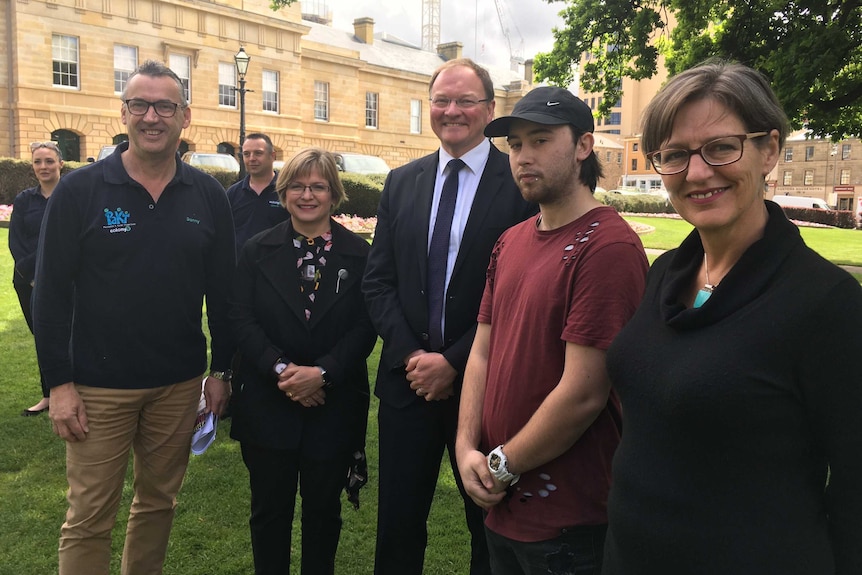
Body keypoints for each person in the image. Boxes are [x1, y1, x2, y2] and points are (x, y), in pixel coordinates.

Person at [601, 60, 862, 574]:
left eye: (721, 147)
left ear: (769, 150)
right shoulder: (666, 275)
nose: (697, 173)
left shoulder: (825, 304)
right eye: (674, 155)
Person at [32, 60, 235, 575]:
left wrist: (221, 370)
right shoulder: (81, 191)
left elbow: (225, 295)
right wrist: (59, 384)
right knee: (89, 515)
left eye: (164, 106)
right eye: (140, 105)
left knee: (158, 505)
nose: (152, 116)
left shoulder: (208, 195)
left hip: (178, 384)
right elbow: (50, 294)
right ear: (123, 113)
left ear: (184, 116)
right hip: (98, 387)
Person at [454, 86, 648, 575]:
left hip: (569, 523)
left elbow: (584, 393)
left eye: (540, 140)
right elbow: (482, 353)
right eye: (516, 145)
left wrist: (500, 464)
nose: (523, 157)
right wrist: (464, 447)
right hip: (503, 505)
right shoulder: (511, 240)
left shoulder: (607, 246)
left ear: (584, 146)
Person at [362, 58, 537, 575]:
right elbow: (377, 281)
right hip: (407, 386)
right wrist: (414, 355)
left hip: (487, 387)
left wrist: (453, 362)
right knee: (397, 524)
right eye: (441, 100)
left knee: (488, 524)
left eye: (465, 100)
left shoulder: (520, 183)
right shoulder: (401, 182)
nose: (452, 110)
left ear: (489, 109)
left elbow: (522, 292)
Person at [229, 147, 377, 574]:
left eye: (318, 186)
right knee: (269, 513)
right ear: (283, 191)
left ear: (334, 194)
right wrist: (284, 371)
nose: (307, 195)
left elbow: (367, 325)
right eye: (297, 185)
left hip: (332, 405)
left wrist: (322, 374)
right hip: (267, 400)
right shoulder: (257, 251)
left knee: (323, 513)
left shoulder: (360, 254)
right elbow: (240, 316)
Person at [10, 141, 64, 416]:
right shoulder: (24, 200)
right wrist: (34, 275)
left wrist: (53, 274)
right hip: (28, 281)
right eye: (38, 162)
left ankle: (74, 392)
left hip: (67, 281)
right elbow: (16, 243)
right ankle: (49, 395)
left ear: (60, 164)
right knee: (42, 336)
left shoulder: (71, 196)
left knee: (70, 336)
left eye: (49, 161)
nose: (43, 167)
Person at [226, 132, 288, 256]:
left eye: (258, 153)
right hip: (241, 269)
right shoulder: (232, 194)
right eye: (246, 154)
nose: (252, 158)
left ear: (272, 156)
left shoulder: (286, 191)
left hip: (277, 267)